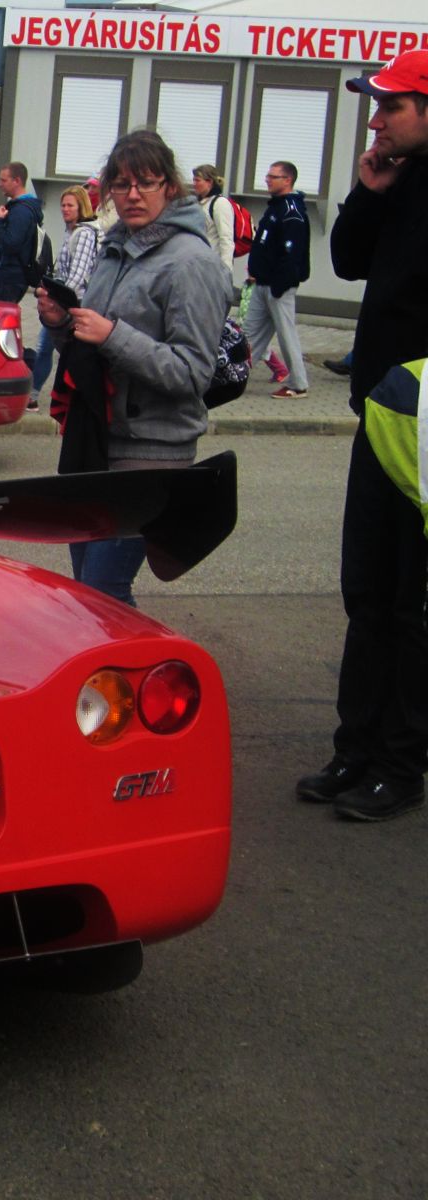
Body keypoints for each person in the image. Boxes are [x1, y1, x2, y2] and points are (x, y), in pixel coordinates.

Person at [297, 48, 428, 822]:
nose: (375, 123)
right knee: (367, 594)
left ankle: (401, 764)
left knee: (411, 604)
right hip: (379, 419)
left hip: (425, 427)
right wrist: (367, 191)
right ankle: (356, 748)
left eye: (391, 108)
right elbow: (347, 262)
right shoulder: (397, 177)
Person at [35, 130, 235, 606]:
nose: (132, 195)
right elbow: (93, 347)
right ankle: (109, 677)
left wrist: (113, 335)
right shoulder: (114, 248)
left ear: (171, 186)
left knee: (103, 588)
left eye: (146, 182)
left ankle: (138, 676)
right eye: (121, 184)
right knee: (87, 587)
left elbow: (192, 375)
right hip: (95, 439)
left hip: (150, 453)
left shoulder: (192, 264)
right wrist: (64, 325)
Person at [26, 184, 99, 411]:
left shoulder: (84, 233)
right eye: (63, 205)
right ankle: (37, 396)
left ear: (81, 207)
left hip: (75, 306)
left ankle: (58, 398)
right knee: (49, 348)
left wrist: (58, 297)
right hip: (65, 304)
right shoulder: (70, 233)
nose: (65, 209)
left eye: (70, 205)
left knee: (63, 352)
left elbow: (78, 276)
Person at [245, 161, 311, 398]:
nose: (267, 179)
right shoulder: (275, 206)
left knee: (286, 334)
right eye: (268, 175)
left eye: (273, 176)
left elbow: (293, 252)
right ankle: (232, 375)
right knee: (249, 334)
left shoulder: (291, 210)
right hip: (262, 283)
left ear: (288, 180)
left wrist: (279, 284)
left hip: (278, 286)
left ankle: (298, 384)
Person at [0, 161, 43, 303]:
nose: (0, 184)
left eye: (4, 180)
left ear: (17, 181)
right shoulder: (21, 208)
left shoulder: (21, 211)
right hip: (10, 276)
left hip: (8, 277)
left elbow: (11, 243)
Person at [192, 164, 235, 275]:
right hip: (196, 265)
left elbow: (226, 239)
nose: (194, 184)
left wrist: (226, 271)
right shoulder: (199, 203)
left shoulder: (220, 204)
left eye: (197, 180)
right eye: (193, 180)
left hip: (211, 269)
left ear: (209, 182)